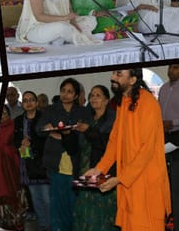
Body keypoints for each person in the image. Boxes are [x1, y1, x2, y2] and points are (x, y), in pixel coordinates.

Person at [84, 69, 171, 231]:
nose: (112, 77)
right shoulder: (124, 103)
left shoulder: (148, 103)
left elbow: (147, 151)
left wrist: (120, 179)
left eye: (118, 74)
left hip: (146, 183)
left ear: (132, 80)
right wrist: (99, 169)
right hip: (128, 182)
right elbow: (115, 141)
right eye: (113, 74)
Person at [37, 77, 92, 231]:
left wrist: (74, 132)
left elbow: (87, 134)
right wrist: (47, 129)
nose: (65, 95)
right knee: (57, 205)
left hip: (77, 163)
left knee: (75, 204)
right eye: (63, 91)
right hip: (56, 163)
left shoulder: (83, 111)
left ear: (76, 95)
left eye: (69, 92)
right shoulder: (51, 109)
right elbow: (39, 129)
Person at [73, 85, 117, 231]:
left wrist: (89, 131)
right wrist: (67, 135)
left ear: (106, 100)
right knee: (85, 213)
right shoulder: (87, 118)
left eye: (98, 95)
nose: (93, 98)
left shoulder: (113, 119)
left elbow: (108, 145)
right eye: (91, 95)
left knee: (103, 215)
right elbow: (76, 147)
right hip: (85, 169)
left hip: (104, 171)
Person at [14, 90, 50, 231]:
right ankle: (42, 225)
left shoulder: (43, 118)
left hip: (42, 163)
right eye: (25, 100)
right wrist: (20, 143)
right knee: (35, 198)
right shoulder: (18, 120)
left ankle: (50, 225)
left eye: (31, 100)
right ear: (22, 104)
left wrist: (32, 143)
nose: (28, 103)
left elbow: (47, 139)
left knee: (46, 198)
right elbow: (14, 140)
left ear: (36, 103)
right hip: (27, 164)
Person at [0, 106, 22, 229]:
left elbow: (17, 144)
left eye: (4, 113)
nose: (2, 116)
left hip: (10, 164)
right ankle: (3, 223)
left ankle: (16, 222)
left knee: (12, 193)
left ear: (8, 114)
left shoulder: (14, 126)